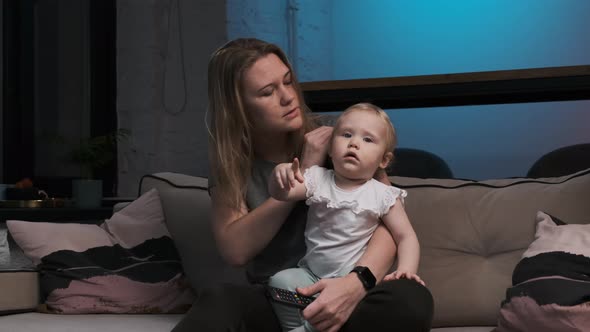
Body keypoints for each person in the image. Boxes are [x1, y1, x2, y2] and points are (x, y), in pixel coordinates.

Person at [172, 38, 433, 332]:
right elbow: (236, 251)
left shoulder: (342, 140)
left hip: (351, 291)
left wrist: (356, 283)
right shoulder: (232, 166)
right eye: (267, 92)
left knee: (410, 300)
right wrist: (306, 172)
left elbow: (387, 221)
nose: (287, 97)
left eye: (288, 81)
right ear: (239, 108)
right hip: (283, 298)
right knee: (218, 301)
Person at [267, 103, 424, 331]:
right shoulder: (317, 179)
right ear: (331, 149)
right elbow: (282, 194)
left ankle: (309, 328)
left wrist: (406, 271)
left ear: (384, 161)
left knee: (377, 308)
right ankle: (296, 326)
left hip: (350, 281)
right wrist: (279, 175)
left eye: (368, 140)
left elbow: (406, 237)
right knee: (279, 282)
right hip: (310, 275)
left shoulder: (383, 194)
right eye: (346, 135)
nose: (354, 143)